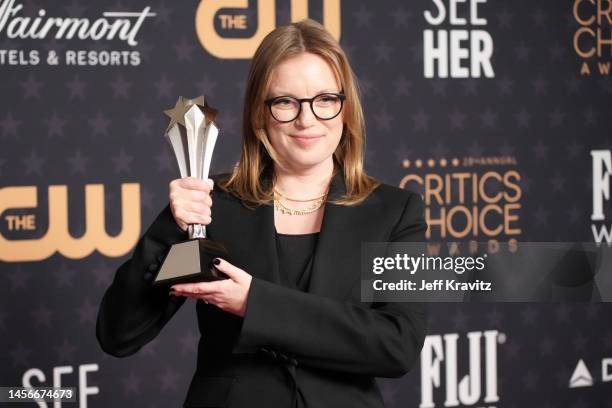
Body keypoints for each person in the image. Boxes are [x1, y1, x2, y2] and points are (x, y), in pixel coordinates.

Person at [96, 19, 428, 408]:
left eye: (325, 99)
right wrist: (170, 227)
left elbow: (398, 344)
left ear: (345, 110)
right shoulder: (212, 204)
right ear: (259, 114)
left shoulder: (396, 211)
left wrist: (256, 303)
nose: (307, 119)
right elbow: (119, 334)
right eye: (285, 102)